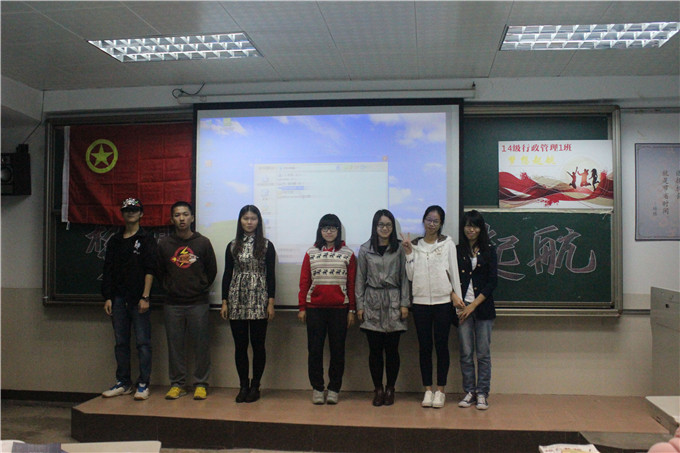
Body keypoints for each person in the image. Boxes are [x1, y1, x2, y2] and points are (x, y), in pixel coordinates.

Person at [401, 205, 463, 409]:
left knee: (442, 346)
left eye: (436, 221)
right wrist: (409, 254)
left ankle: (440, 390)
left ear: (441, 223)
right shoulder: (415, 245)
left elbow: (454, 272)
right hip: (420, 303)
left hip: (442, 302)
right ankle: (428, 389)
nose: (431, 224)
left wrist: (457, 299)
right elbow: (411, 276)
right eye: (428, 219)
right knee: (425, 347)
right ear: (423, 220)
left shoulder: (447, 244)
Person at [157, 201, 217, 400]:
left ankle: (201, 384)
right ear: (172, 219)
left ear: (192, 217)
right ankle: (177, 384)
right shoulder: (164, 244)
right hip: (172, 303)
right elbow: (159, 272)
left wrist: (200, 287)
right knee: (175, 346)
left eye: (185, 214)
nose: (181, 218)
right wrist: (169, 287)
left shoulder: (203, 243)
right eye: (177, 215)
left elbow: (211, 270)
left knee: (201, 345)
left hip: (198, 302)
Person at [101, 198, 156, 400]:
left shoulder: (146, 239)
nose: (130, 213)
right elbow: (108, 270)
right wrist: (108, 297)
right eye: (127, 210)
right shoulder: (115, 241)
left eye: (134, 209)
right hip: (118, 299)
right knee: (121, 343)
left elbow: (150, 269)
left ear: (141, 213)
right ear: (122, 213)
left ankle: (143, 383)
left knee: (143, 343)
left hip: (139, 299)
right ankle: (123, 383)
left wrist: (145, 296)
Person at [298, 214, 356, 405]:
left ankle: (334, 389)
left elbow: (351, 284)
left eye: (332, 228)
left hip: (339, 310)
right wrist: (302, 307)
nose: (329, 231)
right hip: (315, 309)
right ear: (320, 231)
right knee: (314, 350)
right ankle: (317, 388)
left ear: (338, 231)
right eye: (325, 228)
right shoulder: (311, 252)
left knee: (337, 351)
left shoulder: (348, 253)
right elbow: (304, 281)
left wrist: (352, 310)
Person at [220, 205, 276, 403]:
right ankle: (243, 385)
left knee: (258, 345)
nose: (249, 222)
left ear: (258, 221)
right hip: (237, 298)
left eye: (253, 218)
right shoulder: (232, 245)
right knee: (240, 346)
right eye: (246, 218)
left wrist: (271, 303)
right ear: (240, 221)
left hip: (259, 298)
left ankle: (255, 386)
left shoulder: (267, 245)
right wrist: (224, 301)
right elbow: (227, 274)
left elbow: (271, 275)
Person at [355, 209, 410, 406]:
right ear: (375, 227)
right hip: (372, 302)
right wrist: (360, 305)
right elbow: (360, 279)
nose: (384, 228)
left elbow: (405, 277)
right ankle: (378, 389)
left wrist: (404, 303)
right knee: (375, 351)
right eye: (381, 225)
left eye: (388, 225)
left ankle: (390, 388)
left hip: (394, 301)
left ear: (392, 227)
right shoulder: (365, 249)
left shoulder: (399, 248)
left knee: (392, 350)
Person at [455, 210, 498, 411]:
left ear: (481, 228)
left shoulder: (489, 250)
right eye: (467, 225)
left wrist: (473, 305)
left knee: (483, 353)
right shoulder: (457, 250)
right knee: (465, 352)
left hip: (482, 308)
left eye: (474, 226)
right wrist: (457, 300)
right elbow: (449, 277)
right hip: (461, 307)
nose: (470, 229)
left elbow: (492, 282)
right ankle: (469, 392)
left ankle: (482, 393)